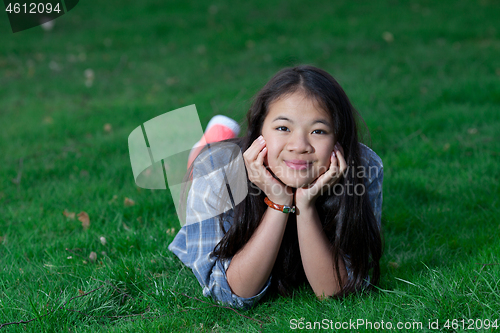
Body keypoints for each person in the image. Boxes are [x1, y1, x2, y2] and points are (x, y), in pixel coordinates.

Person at [168, 65, 383, 310]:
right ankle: (213, 139)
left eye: (318, 131)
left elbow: (336, 292)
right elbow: (229, 294)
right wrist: (279, 203)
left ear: (338, 139)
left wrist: (305, 205)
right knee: (202, 160)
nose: (300, 145)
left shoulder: (364, 166)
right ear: (259, 130)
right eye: (283, 128)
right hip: (218, 163)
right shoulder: (215, 171)